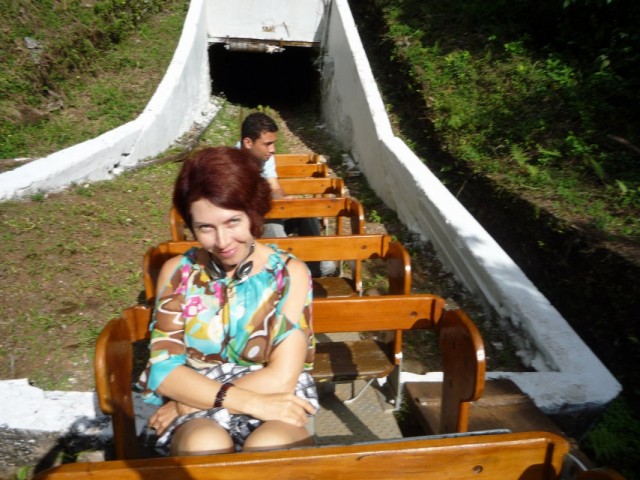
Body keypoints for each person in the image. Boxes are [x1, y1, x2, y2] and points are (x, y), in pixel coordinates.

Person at [136, 146, 318, 456]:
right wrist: (236, 402)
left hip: (272, 396)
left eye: (233, 222)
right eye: (205, 228)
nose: (222, 242)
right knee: (203, 444)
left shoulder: (289, 274)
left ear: (254, 213)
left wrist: (186, 404)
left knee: (271, 446)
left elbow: (283, 375)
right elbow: (164, 371)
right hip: (199, 401)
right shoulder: (178, 273)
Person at [239, 112, 335, 277]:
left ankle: (314, 264)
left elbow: (274, 187)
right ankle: (287, 272)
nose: (273, 150)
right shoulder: (231, 164)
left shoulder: (265, 157)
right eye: (267, 144)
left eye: (273, 143)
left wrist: (284, 201)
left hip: (264, 212)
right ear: (248, 143)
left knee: (303, 210)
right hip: (246, 228)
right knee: (272, 221)